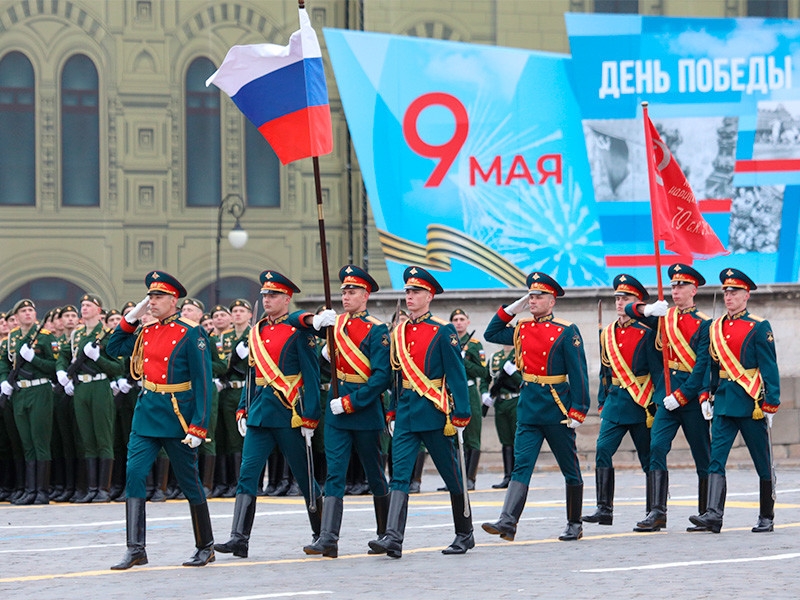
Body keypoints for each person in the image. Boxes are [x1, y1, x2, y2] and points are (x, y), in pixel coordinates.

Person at [106, 271, 215, 570]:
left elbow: (203, 381)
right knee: (134, 473)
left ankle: (205, 545)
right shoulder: (147, 330)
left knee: (189, 481)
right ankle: (135, 548)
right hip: (147, 412)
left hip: (178, 415)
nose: (152, 302)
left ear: (173, 300)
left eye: (157, 297)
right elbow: (113, 347)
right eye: (150, 297)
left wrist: (199, 425)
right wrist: (134, 314)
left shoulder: (192, 332)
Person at [214, 270, 322, 559]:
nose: (267, 299)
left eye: (273, 295)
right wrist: (242, 406)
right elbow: (252, 374)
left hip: (290, 413)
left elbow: (311, 376)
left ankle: (322, 533)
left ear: (286, 299)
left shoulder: (299, 330)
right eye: (264, 295)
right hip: (260, 411)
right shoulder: (257, 331)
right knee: (247, 474)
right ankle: (239, 538)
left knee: (304, 474)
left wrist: (311, 415)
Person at [368, 266, 472, 559]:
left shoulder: (443, 330)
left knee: (452, 475)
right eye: (407, 292)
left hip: (435, 412)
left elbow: (456, 375)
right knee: (398, 475)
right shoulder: (399, 332)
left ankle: (465, 533)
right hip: (406, 414)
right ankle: (393, 538)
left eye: (415, 292)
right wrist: (392, 410)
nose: (409, 296)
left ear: (429, 296)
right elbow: (397, 377)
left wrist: (461, 414)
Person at [482, 272, 590, 542]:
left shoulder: (566, 330)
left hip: (556, 406)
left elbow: (578, 373)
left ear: (551, 301)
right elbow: (491, 332)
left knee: (569, 466)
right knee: (522, 465)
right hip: (529, 407)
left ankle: (574, 522)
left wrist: (579, 409)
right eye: (530, 295)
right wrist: (513, 308)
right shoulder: (523, 328)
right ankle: (508, 521)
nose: (533, 300)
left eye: (539, 296)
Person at [302, 265, 391, 558]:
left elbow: (381, 376)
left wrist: (352, 402)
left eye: (351, 292)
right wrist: (324, 352)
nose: (345, 296)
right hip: (337, 411)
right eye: (343, 292)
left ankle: (386, 533)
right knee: (334, 473)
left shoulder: (377, 329)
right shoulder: (335, 324)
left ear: (365, 296)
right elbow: (324, 362)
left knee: (375, 474)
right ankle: (328, 537)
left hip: (362, 410)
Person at [689, 268, 780, 534]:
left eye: (734, 292)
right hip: (725, 403)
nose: (728, 296)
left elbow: (769, 368)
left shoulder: (759, 327)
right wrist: (706, 394)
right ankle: (714, 515)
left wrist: (771, 403)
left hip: (750, 403)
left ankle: (766, 515)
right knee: (715, 459)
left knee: (761, 460)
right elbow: (710, 366)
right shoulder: (714, 327)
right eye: (726, 292)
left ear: (746, 295)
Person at [626, 264, 712, 533]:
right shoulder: (665, 317)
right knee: (656, 448)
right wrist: (647, 310)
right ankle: (657, 511)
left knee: (703, 455)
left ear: (693, 290)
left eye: (681, 286)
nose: (676, 290)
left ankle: (707, 511)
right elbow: (630, 310)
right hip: (666, 398)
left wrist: (684, 394)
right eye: (673, 286)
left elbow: (702, 366)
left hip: (689, 398)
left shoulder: (704, 323)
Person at [583, 274, 660, 527]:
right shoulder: (607, 334)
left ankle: (654, 511)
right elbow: (604, 372)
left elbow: (657, 371)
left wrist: (657, 403)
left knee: (648, 457)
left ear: (636, 302)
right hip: (615, 403)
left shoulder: (647, 332)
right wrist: (603, 401)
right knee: (603, 450)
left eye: (625, 298)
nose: (619, 303)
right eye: (617, 298)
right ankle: (604, 508)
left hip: (642, 403)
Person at [56, 294, 123, 503]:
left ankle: (103, 488)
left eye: (88, 305)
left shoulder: (107, 334)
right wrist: (61, 372)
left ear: (98, 310)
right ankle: (92, 488)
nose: (83, 308)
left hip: (100, 385)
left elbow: (117, 366)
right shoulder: (76, 334)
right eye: (82, 305)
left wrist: (98, 358)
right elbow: (63, 356)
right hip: (81, 387)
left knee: (102, 437)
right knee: (86, 438)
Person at [0, 299, 58, 505]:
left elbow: (54, 365)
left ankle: (42, 491)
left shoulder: (44, 337)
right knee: (26, 443)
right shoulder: (11, 338)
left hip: (40, 389)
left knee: (39, 441)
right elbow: (4, 363)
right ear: (15, 317)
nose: (28, 313)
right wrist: (4, 381)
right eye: (23, 310)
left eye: (31, 310)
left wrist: (33, 359)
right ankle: (30, 489)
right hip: (20, 392)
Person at [212, 298, 252, 498]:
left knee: (239, 437)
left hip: (243, 389)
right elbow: (220, 363)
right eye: (234, 310)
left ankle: (241, 481)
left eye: (241, 311)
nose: (237, 314)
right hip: (225, 389)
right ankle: (226, 482)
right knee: (225, 437)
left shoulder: (253, 335)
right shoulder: (224, 337)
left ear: (249, 315)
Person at [449, 309, 489, 491]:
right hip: (451, 392)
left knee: (472, 435)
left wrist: (464, 361)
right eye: (455, 319)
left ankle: (470, 478)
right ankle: (456, 478)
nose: (458, 323)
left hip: (469, 389)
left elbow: (482, 372)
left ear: (468, 322)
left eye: (461, 319)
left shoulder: (473, 345)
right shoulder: (448, 341)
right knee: (453, 436)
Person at [486, 344, 521, 489]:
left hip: (516, 400)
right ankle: (507, 476)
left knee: (517, 439)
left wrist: (513, 372)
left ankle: (518, 477)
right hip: (500, 402)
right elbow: (485, 378)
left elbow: (524, 382)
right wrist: (484, 393)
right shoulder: (495, 357)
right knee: (505, 440)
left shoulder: (520, 356)